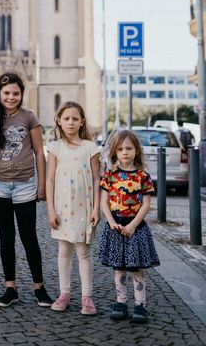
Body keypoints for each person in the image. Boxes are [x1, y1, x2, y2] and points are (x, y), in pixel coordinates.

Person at [0, 73, 53, 308]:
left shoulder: (29, 117)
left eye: (16, 93)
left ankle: (39, 288)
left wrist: (41, 185)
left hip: (25, 184)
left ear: (22, 94)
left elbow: (38, 152)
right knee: (6, 237)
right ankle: (10, 288)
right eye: (6, 93)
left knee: (29, 237)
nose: (11, 97)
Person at [98, 129, 160, 324]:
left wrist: (133, 225)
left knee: (137, 269)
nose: (125, 152)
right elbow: (104, 202)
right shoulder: (110, 175)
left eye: (129, 148)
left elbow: (147, 204)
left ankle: (140, 305)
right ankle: (121, 301)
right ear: (114, 152)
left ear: (136, 151)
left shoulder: (143, 176)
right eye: (120, 149)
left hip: (136, 229)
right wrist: (111, 223)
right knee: (119, 268)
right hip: (116, 228)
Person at [46, 101, 100, 315]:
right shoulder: (55, 148)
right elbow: (49, 180)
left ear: (82, 122)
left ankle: (87, 297)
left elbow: (97, 180)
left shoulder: (90, 148)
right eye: (66, 118)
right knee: (64, 251)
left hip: (84, 208)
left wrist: (96, 209)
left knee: (83, 252)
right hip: (61, 209)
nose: (70, 122)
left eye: (75, 119)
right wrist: (50, 209)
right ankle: (64, 293)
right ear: (59, 121)